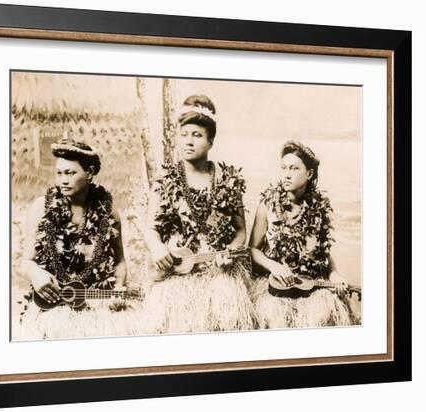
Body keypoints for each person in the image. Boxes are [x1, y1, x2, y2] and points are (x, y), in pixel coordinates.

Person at [143, 95, 255, 334]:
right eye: (184, 135)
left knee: (225, 320)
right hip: (177, 270)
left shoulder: (227, 181)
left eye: (197, 135)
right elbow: (150, 229)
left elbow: (241, 231)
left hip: (217, 270)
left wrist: (229, 253)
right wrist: (158, 249)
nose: (188, 142)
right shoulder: (164, 181)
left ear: (211, 141)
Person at [17, 138, 130, 339]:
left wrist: (119, 288)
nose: (63, 180)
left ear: (90, 173)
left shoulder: (108, 212)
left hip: (96, 304)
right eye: (59, 173)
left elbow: (119, 260)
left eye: (70, 173)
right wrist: (36, 275)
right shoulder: (41, 208)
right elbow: (25, 263)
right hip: (54, 305)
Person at [249, 141, 359, 329]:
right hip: (276, 284)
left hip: (309, 282)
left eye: (293, 168)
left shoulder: (319, 210)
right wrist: (273, 266)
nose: (286, 174)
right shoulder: (268, 205)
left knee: (322, 316)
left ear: (309, 174)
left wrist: (334, 273)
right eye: (283, 168)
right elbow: (252, 249)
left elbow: (322, 251)